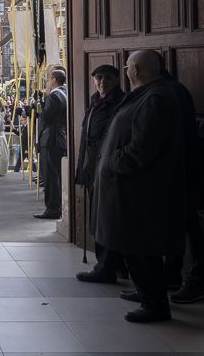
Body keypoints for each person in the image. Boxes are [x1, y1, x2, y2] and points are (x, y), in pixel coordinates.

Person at [94, 50, 185, 323]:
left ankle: (154, 304)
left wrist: (113, 161)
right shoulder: (146, 94)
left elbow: (143, 147)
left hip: (139, 189)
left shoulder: (156, 98)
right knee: (135, 247)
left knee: (141, 248)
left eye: (127, 66)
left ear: (135, 69)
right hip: (130, 187)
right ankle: (148, 296)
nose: (125, 70)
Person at [160, 56, 204, 304]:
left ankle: (192, 281)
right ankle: (170, 276)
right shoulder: (169, 90)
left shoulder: (166, 93)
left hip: (178, 170)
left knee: (187, 225)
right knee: (178, 224)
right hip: (176, 169)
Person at [74, 64, 126, 283]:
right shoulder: (96, 101)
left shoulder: (120, 103)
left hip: (106, 167)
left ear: (117, 80)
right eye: (98, 78)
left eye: (107, 78)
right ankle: (112, 264)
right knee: (98, 218)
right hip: (92, 164)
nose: (102, 82)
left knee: (106, 219)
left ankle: (107, 266)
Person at [35, 69, 68, 219]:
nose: (47, 81)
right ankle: (56, 206)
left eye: (49, 78)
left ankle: (53, 208)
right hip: (59, 138)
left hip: (51, 139)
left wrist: (38, 111)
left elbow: (46, 118)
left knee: (51, 176)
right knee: (56, 175)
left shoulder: (54, 96)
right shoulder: (65, 93)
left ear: (54, 80)